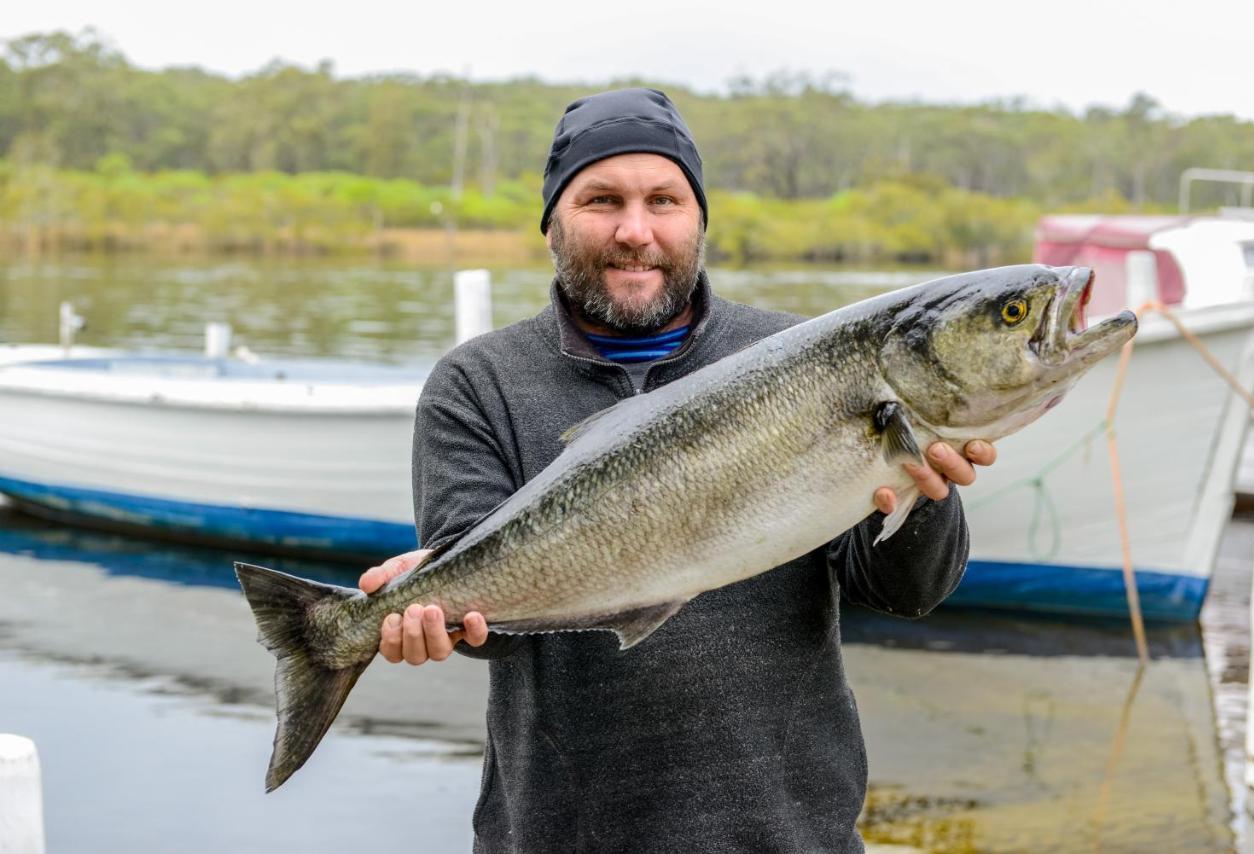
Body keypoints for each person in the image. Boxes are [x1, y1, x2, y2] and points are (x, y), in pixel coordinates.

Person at [359, 88, 995, 853]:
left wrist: (926, 495)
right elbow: (492, 619)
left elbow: (904, 591)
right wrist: (438, 613)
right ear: (553, 222)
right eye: (602, 200)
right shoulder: (477, 382)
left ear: (698, 218)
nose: (636, 230)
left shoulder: (805, 360)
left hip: (788, 836)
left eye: (664, 199)